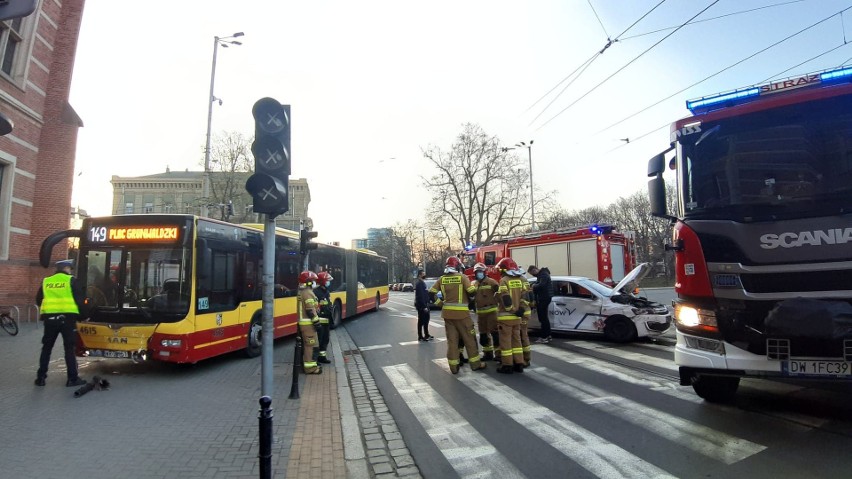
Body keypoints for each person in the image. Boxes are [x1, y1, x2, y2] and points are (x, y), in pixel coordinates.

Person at [34, 259, 87, 387]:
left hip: (50, 320)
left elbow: (39, 299)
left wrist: (50, 311)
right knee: (69, 349)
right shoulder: (72, 281)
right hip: (68, 320)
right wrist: (83, 316)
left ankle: (41, 378)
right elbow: (80, 301)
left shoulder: (47, 281)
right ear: (67, 268)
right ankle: (72, 379)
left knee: (46, 348)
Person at [429, 256, 486, 374]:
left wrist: (441, 304)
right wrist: (474, 286)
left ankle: (454, 367)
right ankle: (475, 364)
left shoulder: (442, 279)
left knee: (452, 341)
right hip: (462, 315)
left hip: (447, 315)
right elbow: (471, 292)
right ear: (457, 266)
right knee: (469, 339)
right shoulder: (462, 277)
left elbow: (431, 293)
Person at [495, 257, 527, 374]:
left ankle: (507, 365)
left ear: (504, 269)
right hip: (517, 317)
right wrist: (521, 309)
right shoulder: (520, 280)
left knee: (506, 342)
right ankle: (519, 364)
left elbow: (505, 297)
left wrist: (512, 310)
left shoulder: (504, 280)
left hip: (506, 317)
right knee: (517, 341)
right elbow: (526, 296)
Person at [471, 263, 500, 361]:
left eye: (480, 272)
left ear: (484, 272)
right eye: (477, 272)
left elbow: (500, 294)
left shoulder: (492, 282)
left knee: (495, 333)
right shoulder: (474, 283)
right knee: (483, 335)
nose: (479, 273)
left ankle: (499, 354)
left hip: (492, 312)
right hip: (480, 313)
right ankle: (488, 354)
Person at [297, 271, 322, 374]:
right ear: (308, 282)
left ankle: (311, 364)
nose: (314, 282)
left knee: (310, 345)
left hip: (305, 324)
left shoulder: (303, 291)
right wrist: (317, 323)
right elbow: (310, 310)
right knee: (310, 346)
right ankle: (310, 368)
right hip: (308, 325)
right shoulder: (307, 293)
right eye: (313, 281)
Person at [528, 265, 553, 344]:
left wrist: (534, 286)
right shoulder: (543, 274)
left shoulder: (543, 275)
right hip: (545, 297)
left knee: (542, 318)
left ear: (535, 270)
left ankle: (544, 337)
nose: (533, 275)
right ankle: (548, 335)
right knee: (544, 318)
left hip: (543, 298)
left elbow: (541, 285)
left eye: (532, 273)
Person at [313, 271, 334, 364]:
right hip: (319, 321)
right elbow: (315, 307)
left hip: (326, 320)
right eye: (327, 281)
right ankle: (315, 358)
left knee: (325, 339)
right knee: (318, 340)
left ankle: (322, 357)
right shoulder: (316, 292)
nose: (329, 283)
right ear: (323, 281)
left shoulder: (326, 292)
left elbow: (328, 304)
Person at [413, 269, 433, 341]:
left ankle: (426, 334)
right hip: (422, 306)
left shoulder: (422, 283)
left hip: (425, 304)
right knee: (421, 321)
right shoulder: (419, 284)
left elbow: (425, 294)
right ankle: (420, 336)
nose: (424, 275)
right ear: (420, 275)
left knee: (426, 320)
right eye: (423, 274)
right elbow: (420, 296)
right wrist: (424, 306)